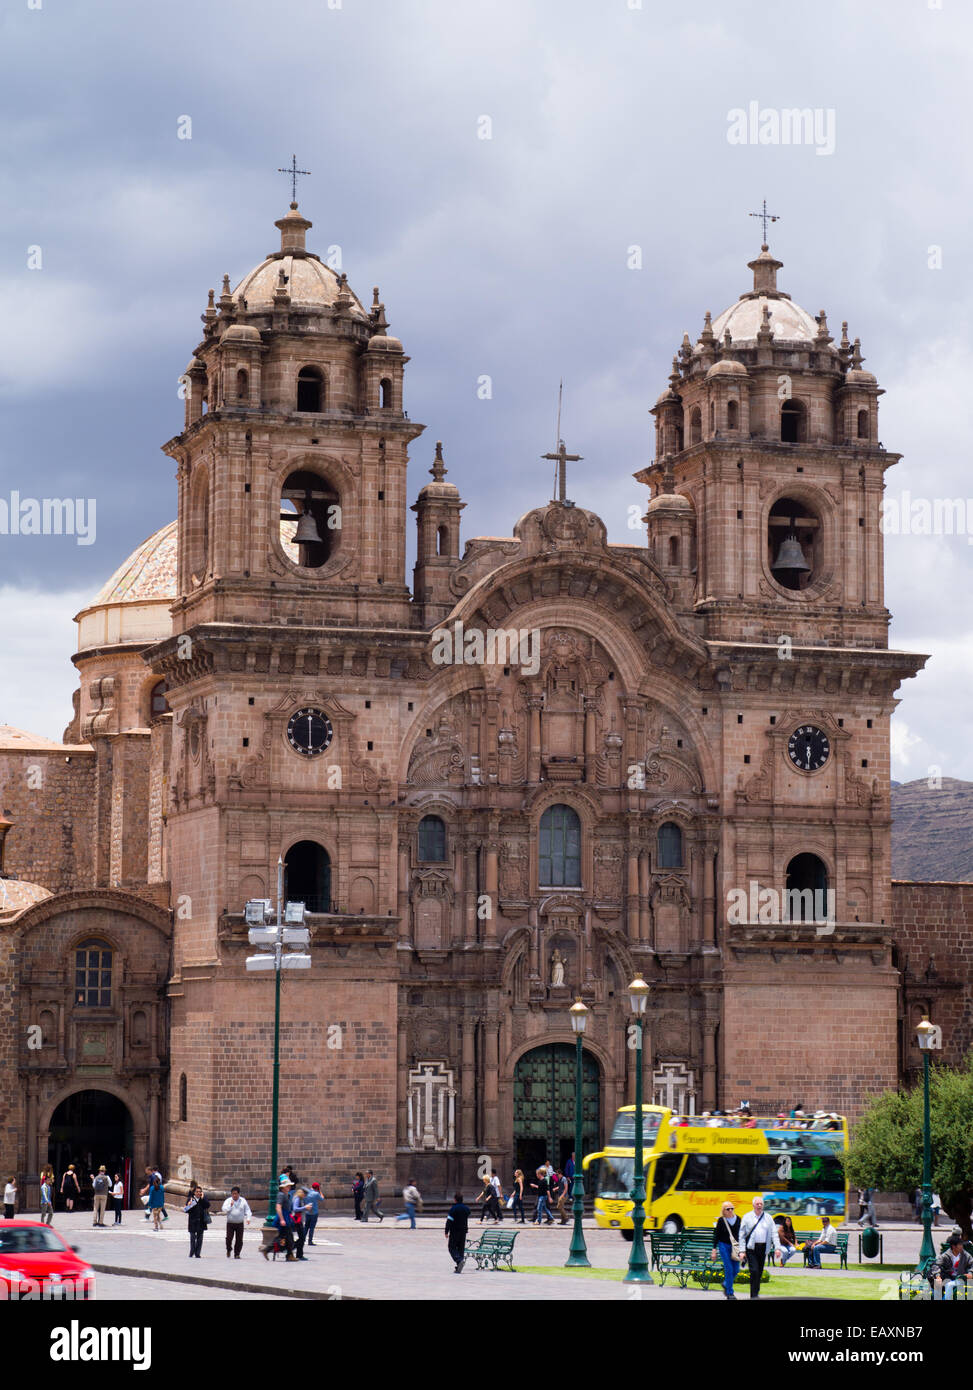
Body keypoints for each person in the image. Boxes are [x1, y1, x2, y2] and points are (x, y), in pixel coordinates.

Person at [739, 1196, 780, 1298]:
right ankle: (754, 1296)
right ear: (753, 1205)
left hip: (763, 1249)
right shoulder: (747, 1217)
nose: (759, 1205)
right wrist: (742, 1251)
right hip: (751, 1249)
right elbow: (742, 1235)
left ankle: (755, 1294)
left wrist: (777, 1248)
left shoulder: (768, 1218)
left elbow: (774, 1233)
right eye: (757, 1204)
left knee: (759, 1272)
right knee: (754, 1271)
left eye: (761, 1204)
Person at [928, 1230, 973, 1300]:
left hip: (960, 1278)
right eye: (960, 1245)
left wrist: (970, 1273)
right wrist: (937, 1276)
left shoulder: (965, 1255)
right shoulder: (946, 1255)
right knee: (937, 1284)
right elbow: (936, 1265)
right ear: (954, 1246)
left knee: (949, 1285)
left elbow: (972, 1264)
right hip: (948, 1277)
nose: (962, 1246)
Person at [711, 1200, 742, 1299]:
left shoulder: (738, 1219)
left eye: (732, 1208)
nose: (730, 1210)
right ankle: (730, 1293)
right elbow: (716, 1236)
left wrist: (743, 1250)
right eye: (728, 1209)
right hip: (723, 1245)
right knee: (728, 1268)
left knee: (736, 1270)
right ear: (723, 1210)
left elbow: (741, 1235)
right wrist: (714, 1250)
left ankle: (725, 1283)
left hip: (735, 1247)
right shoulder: (721, 1220)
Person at [263, 1176, 296, 1261]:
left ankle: (288, 1254)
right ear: (283, 1187)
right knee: (287, 1238)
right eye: (288, 1186)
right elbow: (278, 1207)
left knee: (286, 1238)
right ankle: (288, 1255)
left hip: (286, 1218)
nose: (289, 1187)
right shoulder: (281, 1195)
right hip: (284, 1218)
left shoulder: (286, 1195)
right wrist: (282, 1219)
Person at [221, 1186, 252, 1259]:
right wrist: (230, 1206)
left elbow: (248, 1210)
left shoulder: (243, 1201)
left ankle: (237, 1253)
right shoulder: (228, 1200)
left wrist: (248, 1218)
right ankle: (229, 1249)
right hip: (230, 1223)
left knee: (239, 1240)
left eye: (236, 1194)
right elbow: (224, 1209)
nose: (234, 1195)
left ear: (239, 1194)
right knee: (229, 1238)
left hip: (239, 1223)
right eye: (233, 1194)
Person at [444, 1192, 470, 1273]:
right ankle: (459, 1264)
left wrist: (446, 1231)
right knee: (460, 1248)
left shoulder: (453, 1209)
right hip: (463, 1231)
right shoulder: (466, 1208)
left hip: (455, 1231)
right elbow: (468, 1213)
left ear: (455, 1200)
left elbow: (449, 1221)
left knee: (451, 1247)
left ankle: (459, 1260)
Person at [183, 1185, 210, 1258]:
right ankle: (192, 1251)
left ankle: (197, 1253)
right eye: (197, 1192)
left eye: (200, 1192)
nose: (198, 1193)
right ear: (194, 1193)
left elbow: (207, 1205)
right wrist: (189, 1205)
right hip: (192, 1222)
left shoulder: (203, 1199)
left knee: (200, 1239)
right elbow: (186, 1210)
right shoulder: (191, 1199)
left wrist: (203, 1198)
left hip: (201, 1222)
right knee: (192, 1238)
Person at [291, 1187, 309, 1260]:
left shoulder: (299, 1199)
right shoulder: (297, 1199)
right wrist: (305, 1207)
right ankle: (293, 1248)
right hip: (297, 1221)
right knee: (302, 1238)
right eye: (305, 1194)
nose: (306, 1196)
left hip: (299, 1221)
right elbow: (295, 1209)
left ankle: (298, 1253)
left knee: (302, 1238)